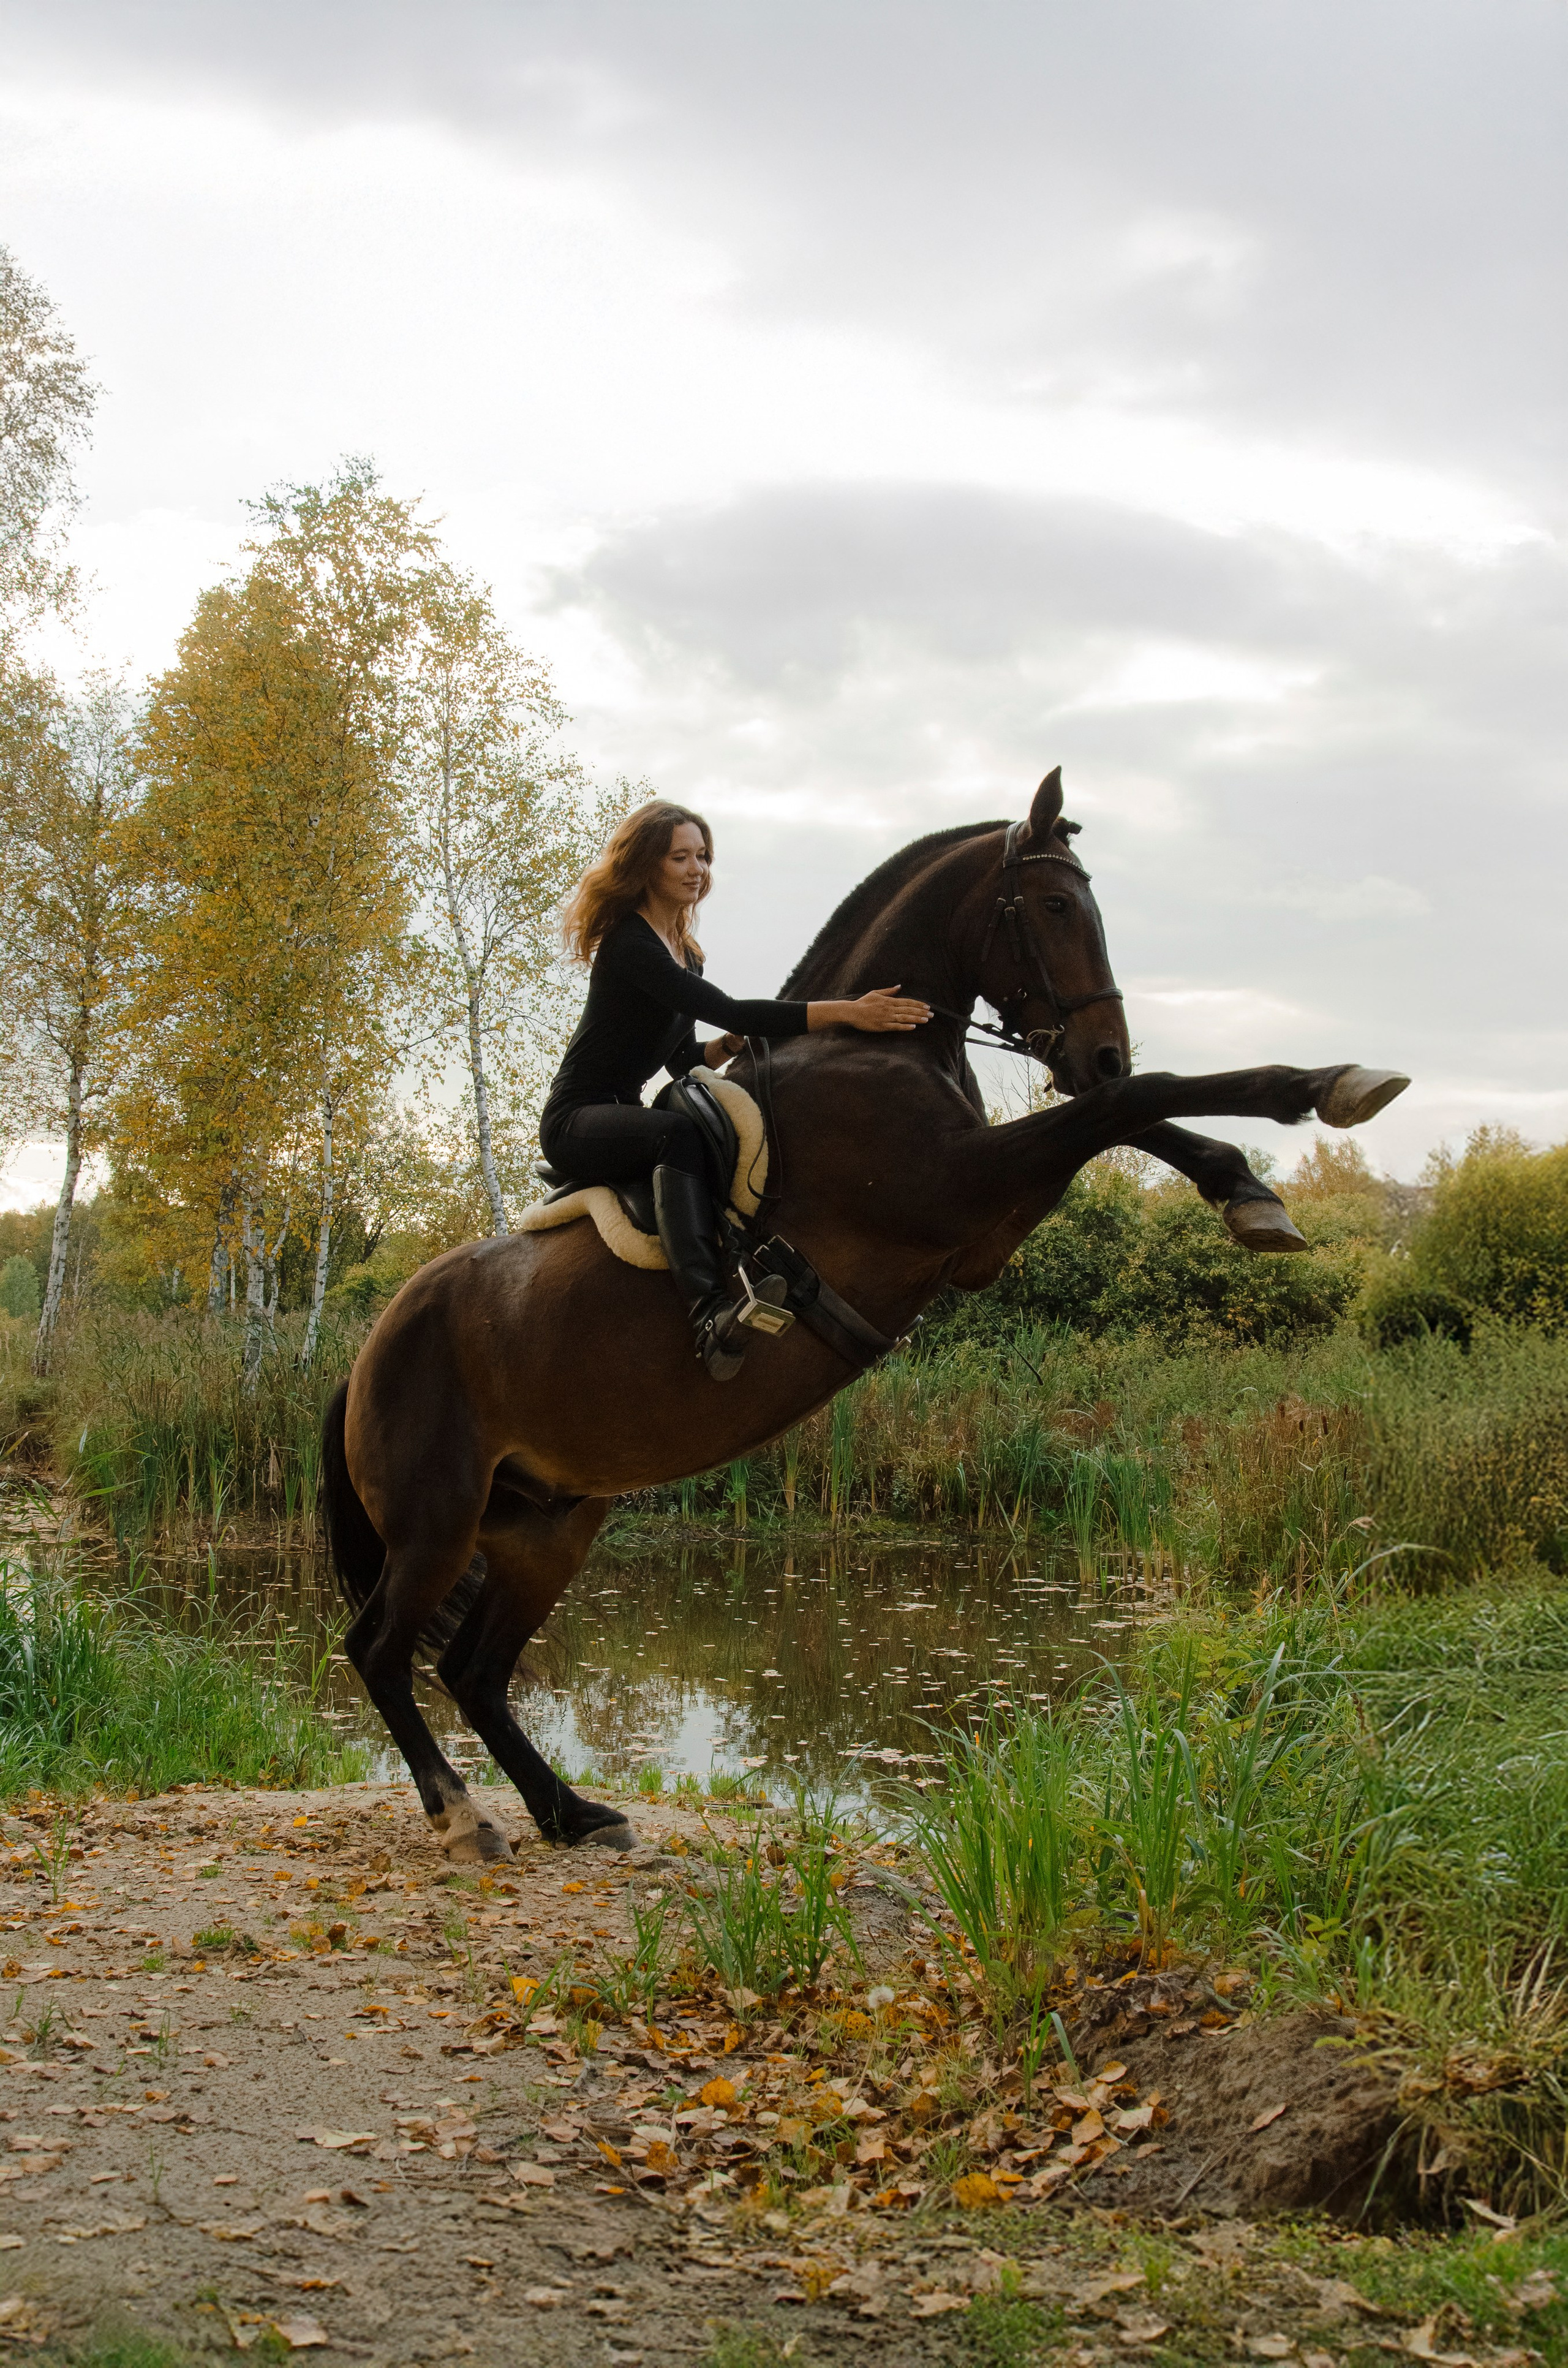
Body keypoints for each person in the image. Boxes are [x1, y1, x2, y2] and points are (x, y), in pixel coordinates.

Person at [542, 800, 930, 1380]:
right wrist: (847, 1012)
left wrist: (720, 1051)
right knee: (677, 1134)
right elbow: (727, 1007)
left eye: (703, 856)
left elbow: (679, 1059)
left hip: (623, 1112)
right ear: (649, 865)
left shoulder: (685, 953)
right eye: (681, 857)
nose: (697, 869)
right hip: (577, 1120)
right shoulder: (631, 945)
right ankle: (709, 1314)